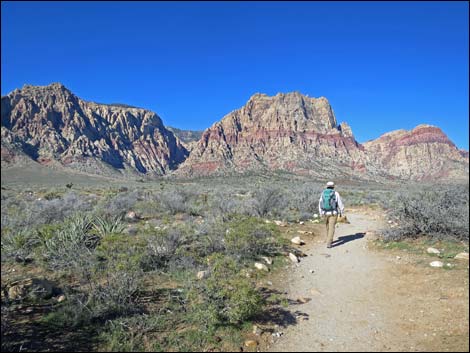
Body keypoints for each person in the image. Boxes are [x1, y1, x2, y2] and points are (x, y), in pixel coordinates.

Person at [318, 181, 344, 248]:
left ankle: (328, 239)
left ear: (327, 186)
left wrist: (320, 212)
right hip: (333, 213)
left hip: (324, 213)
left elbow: (320, 203)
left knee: (327, 226)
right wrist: (341, 211)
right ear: (333, 186)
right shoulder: (335, 193)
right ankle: (329, 242)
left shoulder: (323, 193)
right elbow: (340, 203)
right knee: (331, 227)